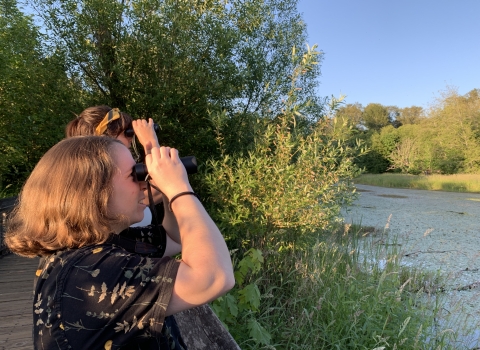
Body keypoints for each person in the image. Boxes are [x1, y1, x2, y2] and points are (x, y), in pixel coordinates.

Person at [5, 136, 235, 349]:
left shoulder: (96, 248)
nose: (144, 185)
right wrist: (179, 188)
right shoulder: (93, 271)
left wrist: (165, 190)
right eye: (133, 175)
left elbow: (176, 238)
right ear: (94, 191)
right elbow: (213, 277)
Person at [66, 106, 180, 257]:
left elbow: (176, 241)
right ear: (104, 139)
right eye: (126, 132)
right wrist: (150, 143)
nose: (130, 137)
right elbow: (160, 186)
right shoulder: (103, 186)